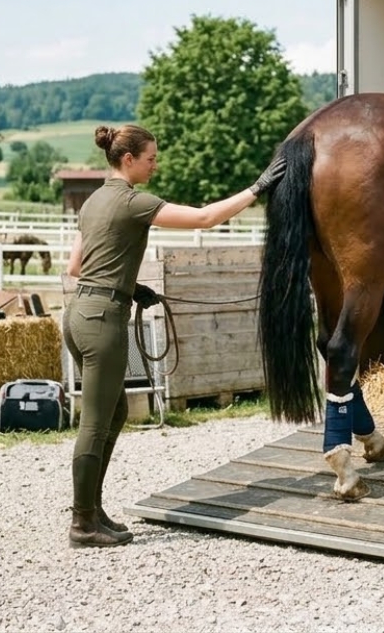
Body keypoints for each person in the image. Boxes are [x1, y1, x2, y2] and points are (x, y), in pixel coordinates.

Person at [63, 123, 285, 548]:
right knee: (95, 422)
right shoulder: (132, 202)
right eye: (150, 158)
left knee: (113, 415)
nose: (155, 164)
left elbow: (77, 267)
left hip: (80, 311)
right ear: (128, 160)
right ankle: (81, 523)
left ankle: (92, 510)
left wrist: (133, 287)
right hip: (102, 319)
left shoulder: (92, 202)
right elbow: (205, 217)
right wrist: (258, 188)